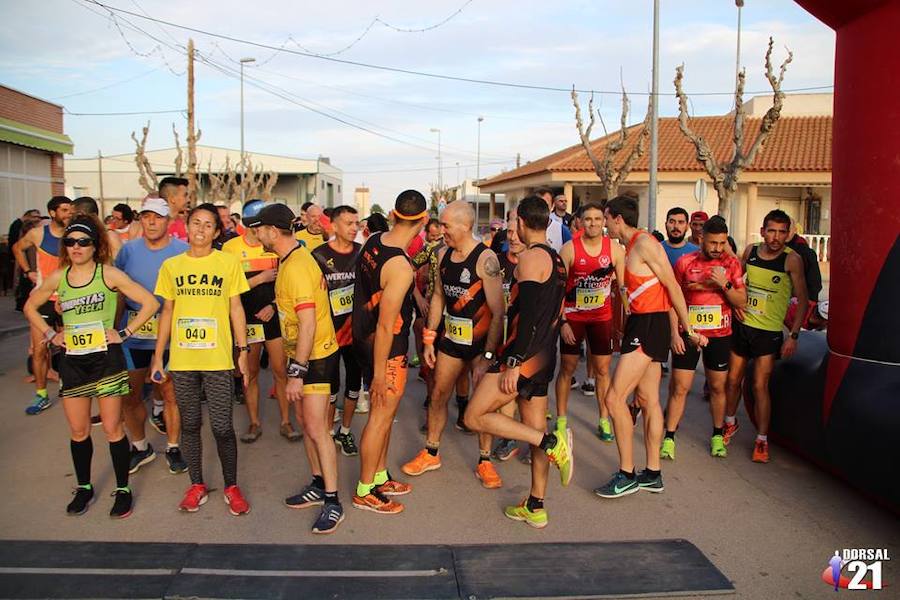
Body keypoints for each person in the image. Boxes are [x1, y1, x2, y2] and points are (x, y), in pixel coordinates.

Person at [23, 214, 159, 518]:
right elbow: (30, 306)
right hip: (73, 362)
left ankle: (122, 489)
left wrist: (123, 333)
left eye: (83, 241)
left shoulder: (108, 274)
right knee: (78, 430)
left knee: (112, 428)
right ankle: (83, 487)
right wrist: (49, 335)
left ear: (94, 245)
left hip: (106, 360)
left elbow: (150, 303)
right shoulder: (59, 277)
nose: (76, 247)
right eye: (70, 242)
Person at [464, 195, 573, 529]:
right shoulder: (557, 260)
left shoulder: (529, 260)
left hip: (523, 358)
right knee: (532, 427)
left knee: (474, 416)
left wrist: (512, 361)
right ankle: (536, 505)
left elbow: (527, 321)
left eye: (515, 223)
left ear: (523, 223)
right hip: (544, 358)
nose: (513, 230)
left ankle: (551, 441)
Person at [594, 195, 707, 499]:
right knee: (647, 399)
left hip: (648, 326)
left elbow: (672, 285)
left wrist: (689, 329)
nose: (605, 225)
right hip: (643, 324)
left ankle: (627, 473)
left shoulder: (645, 244)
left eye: (606, 219)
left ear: (618, 218)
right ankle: (653, 472)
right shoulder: (631, 247)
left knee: (614, 398)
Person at [249, 203, 345, 534]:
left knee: (317, 428)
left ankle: (333, 501)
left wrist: (296, 371)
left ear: (273, 232)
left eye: (258, 229)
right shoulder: (288, 260)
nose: (255, 234)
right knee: (306, 423)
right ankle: (319, 484)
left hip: (316, 357)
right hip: (302, 355)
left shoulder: (298, 266)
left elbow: (307, 323)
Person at [151, 203, 252, 516]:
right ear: (187, 225)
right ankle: (196, 485)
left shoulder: (227, 263)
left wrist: (243, 351)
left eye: (209, 225)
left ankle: (231, 486)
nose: (201, 229)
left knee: (223, 427)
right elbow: (166, 311)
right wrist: (158, 358)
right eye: (196, 223)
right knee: (190, 424)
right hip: (182, 361)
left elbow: (236, 308)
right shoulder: (171, 266)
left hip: (218, 358)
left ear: (216, 231)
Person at [401, 201, 505, 488]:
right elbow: (437, 298)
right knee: (437, 394)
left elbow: (498, 311)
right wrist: (429, 338)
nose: (441, 230)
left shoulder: (486, 259)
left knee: (482, 405)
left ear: (465, 225)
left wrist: (486, 355)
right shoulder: (443, 254)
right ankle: (431, 452)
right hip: (452, 340)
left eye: (446, 225)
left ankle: (485, 460)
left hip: (481, 344)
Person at [351, 190, 427, 514]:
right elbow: (386, 325)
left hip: (363, 340)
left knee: (387, 418)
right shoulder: (401, 267)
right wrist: (381, 375)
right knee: (380, 418)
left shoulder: (373, 240)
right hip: (386, 349)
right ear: (422, 222)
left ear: (394, 215)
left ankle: (380, 476)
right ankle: (365, 489)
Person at [724, 209, 808, 463]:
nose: (776, 237)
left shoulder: (791, 260)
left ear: (788, 234)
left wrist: (793, 335)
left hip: (769, 332)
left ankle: (762, 440)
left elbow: (803, 300)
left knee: (760, 385)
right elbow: (736, 282)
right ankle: (729, 423)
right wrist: (735, 304)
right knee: (732, 380)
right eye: (771, 230)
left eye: (782, 232)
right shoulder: (750, 252)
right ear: (763, 231)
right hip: (743, 325)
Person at [114, 197, 189, 476]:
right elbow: (117, 291)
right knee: (129, 395)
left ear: (168, 220)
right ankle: (140, 446)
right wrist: (114, 330)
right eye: (146, 217)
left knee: (171, 394)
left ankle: (172, 446)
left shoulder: (184, 251)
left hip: (171, 332)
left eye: (157, 217)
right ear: (140, 220)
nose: (152, 222)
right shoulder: (127, 251)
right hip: (133, 334)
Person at [662, 216, 746, 460]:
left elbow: (741, 301)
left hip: (720, 334)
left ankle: (718, 435)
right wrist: (674, 334)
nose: (717, 248)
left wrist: (725, 284)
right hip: (689, 333)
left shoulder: (731, 264)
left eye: (721, 243)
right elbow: (671, 299)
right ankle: (669, 437)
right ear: (701, 240)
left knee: (718, 386)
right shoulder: (685, 262)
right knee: (680, 386)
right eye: (712, 243)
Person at [221, 200, 296, 444]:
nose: (256, 230)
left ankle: (286, 421)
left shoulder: (276, 247)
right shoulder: (230, 248)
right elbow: (227, 289)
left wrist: (273, 306)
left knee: (280, 370)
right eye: (252, 225)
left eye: (259, 225)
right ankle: (254, 422)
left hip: (273, 317)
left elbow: (287, 284)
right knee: (250, 373)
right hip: (247, 318)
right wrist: (259, 279)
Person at [555, 201, 625, 442]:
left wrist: (627, 320)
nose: (593, 223)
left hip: (601, 317)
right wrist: (562, 321)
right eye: (588, 219)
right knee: (567, 368)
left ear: (604, 222)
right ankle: (561, 419)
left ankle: (604, 418)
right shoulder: (569, 249)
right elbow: (558, 289)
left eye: (597, 219)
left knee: (603, 370)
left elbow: (623, 288)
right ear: (580, 222)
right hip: (573, 317)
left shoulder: (615, 250)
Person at [13, 195, 73, 414]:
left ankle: (68, 387)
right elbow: (17, 248)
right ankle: (41, 395)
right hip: (44, 299)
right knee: (40, 349)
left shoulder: (74, 235)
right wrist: (28, 271)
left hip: (69, 299)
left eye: (70, 210)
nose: (68, 214)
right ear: (52, 213)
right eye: (64, 210)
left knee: (70, 348)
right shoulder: (39, 234)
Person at [311, 205, 363, 457]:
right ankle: (328, 433)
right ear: (333, 226)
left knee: (353, 384)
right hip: (327, 334)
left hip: (355, 334)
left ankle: (345, 430)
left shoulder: (362, 254)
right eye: (348, 223)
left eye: (357, 223)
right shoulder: (318, 255)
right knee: (330, 388)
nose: (354, 228)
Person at [533, 187, 572, 251]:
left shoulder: (562, 231)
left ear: (552, 206)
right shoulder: (524, 228)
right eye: (538, 205)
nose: (541, 209)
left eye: (545, 205)